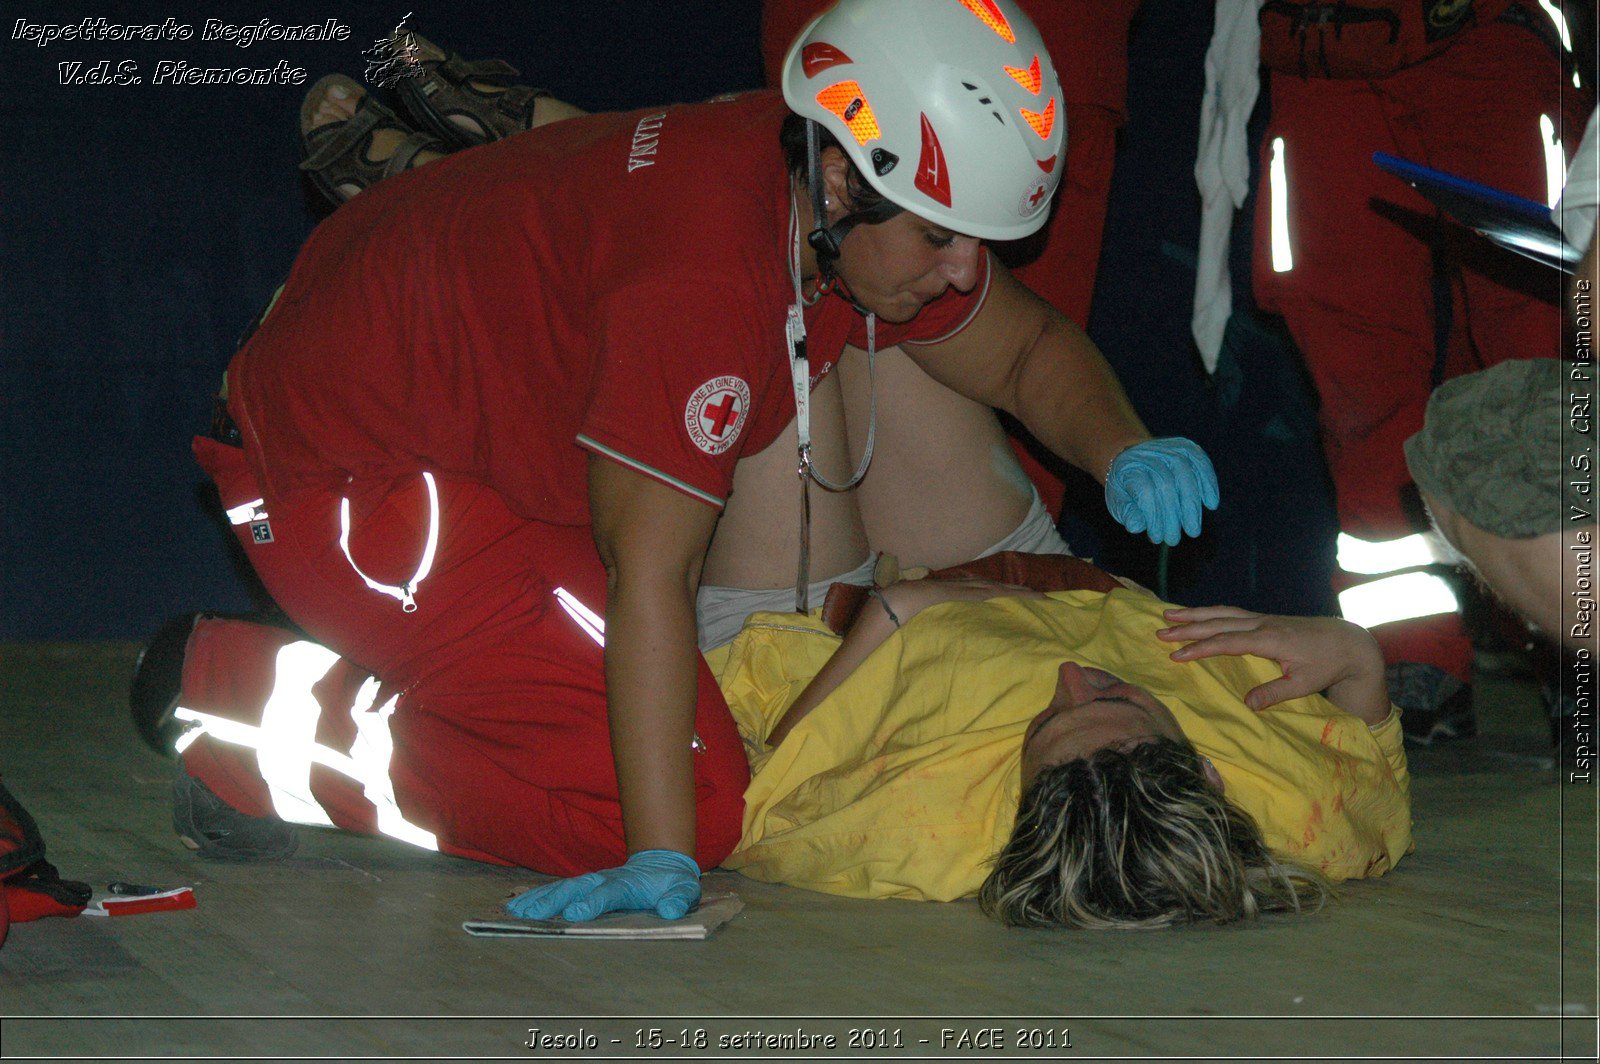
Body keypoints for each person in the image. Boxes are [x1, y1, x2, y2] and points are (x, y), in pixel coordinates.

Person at [145, 0, 1220, 924]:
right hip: (350, 483)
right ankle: (230, 705)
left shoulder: (789, 167)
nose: (962, 270)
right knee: (699, 799)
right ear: (843, 178)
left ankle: (469, 681)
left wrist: (1120, 444)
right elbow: (648, 575)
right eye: (943, 237)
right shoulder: (705, 284)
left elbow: (1027, 349)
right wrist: (660, 849)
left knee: (660, 704)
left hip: (433, 417)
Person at [703, 555, 1411, 929]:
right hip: (1068, 574)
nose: (1071, 680)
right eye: (1117, 695)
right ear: (1207, 772)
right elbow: (1376, 771)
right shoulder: (1307, 815)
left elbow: (748, 800)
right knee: (948, 339)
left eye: (1046, 722)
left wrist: (898, 611)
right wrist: (1353, 653)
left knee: (811, 363)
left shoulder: (918, 830)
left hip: (852, 604)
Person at [1233, 0, 1589, 743]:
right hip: (1318, 52)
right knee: (1357, 383)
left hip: (1490, 36)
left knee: (1542, 351)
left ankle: (1572, 643)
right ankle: (1408, 657)